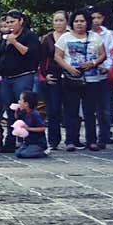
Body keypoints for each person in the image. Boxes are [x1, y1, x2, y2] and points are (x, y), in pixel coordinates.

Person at [54, 8, 107, 151]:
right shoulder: (65, 38)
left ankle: (91, 141)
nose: (79, 24)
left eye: (82, 21)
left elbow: (103, 55)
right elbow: (57, 56)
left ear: (87, 22)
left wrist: (93, 63)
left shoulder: (95, 37)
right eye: (76, 21)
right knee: (71, 110)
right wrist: (68, 68)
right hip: (71, 78)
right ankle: (71, 140)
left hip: (92, 79)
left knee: (90, 111)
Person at [0, 9, 41, 153]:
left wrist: (15, 42)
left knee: (24, 109)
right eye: (8, 22)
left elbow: (31, 53)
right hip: (7, 78)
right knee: (11, 110)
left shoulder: (29, 36)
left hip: (23, 76)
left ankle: (28, 140)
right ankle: (10, 141)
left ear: (21, 21)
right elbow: (0, 56)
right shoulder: (6, 37)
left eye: (13, 22)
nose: (10, 25)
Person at [39, 10, 70, 151]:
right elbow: (41, 59)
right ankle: (53, 140)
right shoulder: (48, 38)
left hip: (70, 74)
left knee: (70, 109)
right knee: (53, 110)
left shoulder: (71, 36)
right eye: (56, 20)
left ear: (67, 21)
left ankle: (71, 139)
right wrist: (45, 75)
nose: (58, 23)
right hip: (53, 76)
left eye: (61, 20)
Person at [90, 4, 113, 146]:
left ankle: (105, 135)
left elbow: (112, 52)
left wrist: (106, 67)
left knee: (105, 108)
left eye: (98, 18)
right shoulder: (86, 33)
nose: (95, 21)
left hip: (104, 75)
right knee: (90, 108)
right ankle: (92, 136)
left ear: (103, 18)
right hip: (89, 75)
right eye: (93, 18)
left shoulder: (108, 34)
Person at [11, 91, 48, 158]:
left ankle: (43, 152)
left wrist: (28, 128)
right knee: (18, 153)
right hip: (28, 142)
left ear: (26, 104)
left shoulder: (35, 114)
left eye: (20, 100)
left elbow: (43, 128)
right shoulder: (24, 112)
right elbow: (17, 118)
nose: (19, 102)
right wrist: (16, 111)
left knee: (26, 154)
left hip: (38, 143)